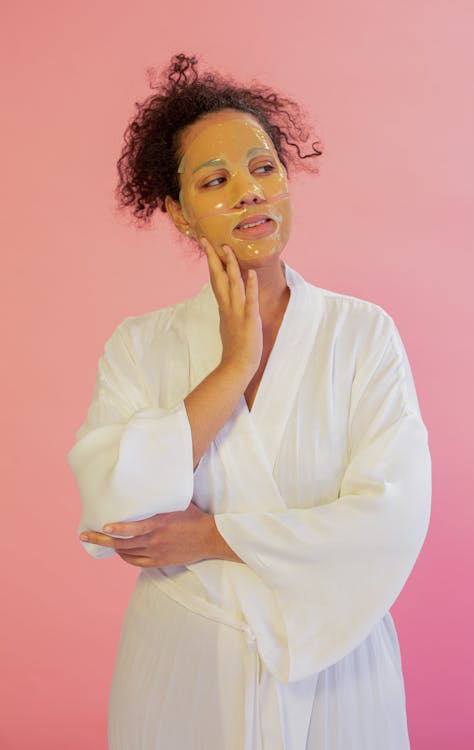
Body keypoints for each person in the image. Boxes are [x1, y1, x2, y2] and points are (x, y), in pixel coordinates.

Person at [67, 52, 432, 750]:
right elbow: (117, 513)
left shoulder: (362, 335)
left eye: (264, 168)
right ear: (177, 213)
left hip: (336, 664)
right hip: (186, 666)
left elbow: (391, 516)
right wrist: (234, 368)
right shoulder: (140, 347)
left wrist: (211, 537)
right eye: (215, 180)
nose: (249, 192)